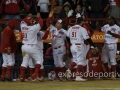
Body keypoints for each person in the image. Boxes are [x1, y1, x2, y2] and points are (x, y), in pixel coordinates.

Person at [66, 17, 98, 81]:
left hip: (72, 46)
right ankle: (78, 76)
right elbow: (88, 39)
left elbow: (67, 37)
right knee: (80, 61)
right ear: (82, 22)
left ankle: (69, 69)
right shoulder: (82, 29)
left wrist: (71, 43)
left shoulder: (71, 28)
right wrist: (94, 46)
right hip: (79, 45)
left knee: (75, 60)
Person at [20, 13, 43, 82]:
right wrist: (39, 17)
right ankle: (35, 74)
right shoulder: (33, 28)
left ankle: (21, 77)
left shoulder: (22, 26)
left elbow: (22, 21)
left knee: (24, 62)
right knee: (39, 60)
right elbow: (41, 24)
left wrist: (28, 17)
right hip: (31, 47)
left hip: (24, 47)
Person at [46, 11, 68, 81]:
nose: (57, 23)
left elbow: (68, 40)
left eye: (58, 23)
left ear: (61, 25)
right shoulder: (53, 29)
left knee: (60, 62)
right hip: (54, 48)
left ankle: (63, 76)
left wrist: (67, 49)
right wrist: (49, 16)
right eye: (57, 22)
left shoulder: (64, 32)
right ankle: (58, 77)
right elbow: (47, 23)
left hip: (60, 48)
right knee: (56, 63)